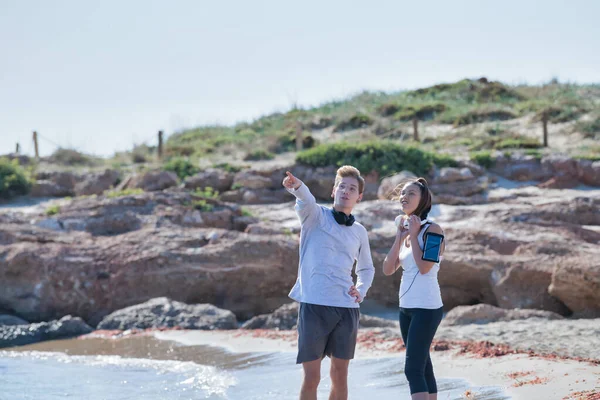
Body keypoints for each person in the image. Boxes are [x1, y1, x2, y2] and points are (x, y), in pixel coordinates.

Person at [282, 165, 375, 400]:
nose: (346, 191)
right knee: (312, 377)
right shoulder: (314, 216)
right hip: (314, 305)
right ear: (334, 191)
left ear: (359, 196)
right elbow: (307, 199)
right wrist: (298, 187)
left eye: (352, 188)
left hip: (347, 309)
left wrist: (361, 290)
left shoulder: (359, 231)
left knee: (340, 375)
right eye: (342, 186)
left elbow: (366, 268)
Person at [382, 178, 446, 400]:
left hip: (427, 308)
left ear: (423, 201)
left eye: (411, 194)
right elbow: (388, 269)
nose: (404, 197)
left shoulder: (433, 230)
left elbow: (425, 267)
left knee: (412, 369)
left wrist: (416, 233)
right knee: (423, 364)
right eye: (403, 193)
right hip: (406, 309)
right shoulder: (406, 230)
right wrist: (400, 237)